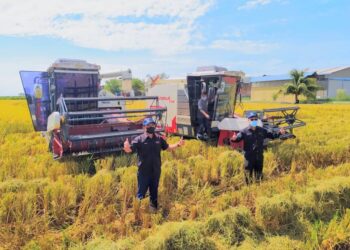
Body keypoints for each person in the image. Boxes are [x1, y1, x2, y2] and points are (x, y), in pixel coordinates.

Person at [123, 117, 184, 211]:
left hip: (156, 171)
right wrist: (126, 147)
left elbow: (167, 148)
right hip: (144, 172)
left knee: (154, 192)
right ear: (144, 127)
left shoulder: (159, 139)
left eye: (152, 125)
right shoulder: (139, 139)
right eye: (148, 125)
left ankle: (153, 210)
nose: (151, 126)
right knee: (141, 193)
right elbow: (130, 150)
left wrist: (178, 144)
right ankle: (137, 212)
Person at [230, 112, 286, 184]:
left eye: (255, 119)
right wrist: (233, 139)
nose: (254, 121)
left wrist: (280, 133)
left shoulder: (262, 130)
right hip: (249, 158)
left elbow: (272, 135)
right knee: (247, 176)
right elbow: (237, 139)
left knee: (259, 176)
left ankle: (258, 187)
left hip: (259, 157)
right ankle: (248, 189)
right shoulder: (244, 131)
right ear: (248, 120)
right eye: (252, 119)